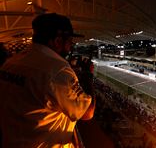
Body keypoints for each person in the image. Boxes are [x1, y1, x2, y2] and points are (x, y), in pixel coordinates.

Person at [0, 13, 95, 148]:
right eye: (69, 42)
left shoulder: (11, 62)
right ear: (57, 41)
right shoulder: (58, 69)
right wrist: (88, 76)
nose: (70, 47)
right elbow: (87, 112)